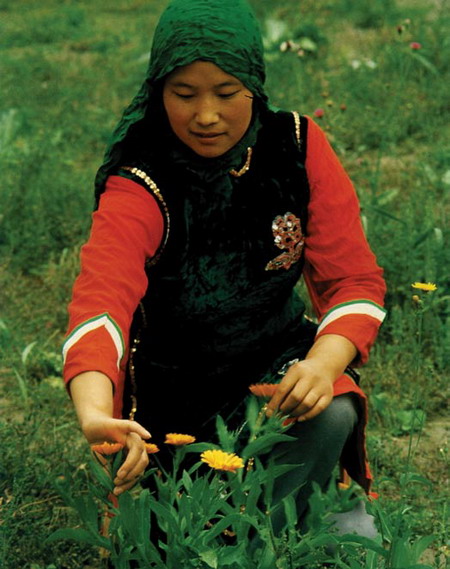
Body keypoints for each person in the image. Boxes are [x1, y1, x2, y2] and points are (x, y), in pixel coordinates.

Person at [62, 0, 386, 535]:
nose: (206, 115)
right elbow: (101, 305)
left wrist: (320, 366)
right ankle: (266, 529)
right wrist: (97, 415)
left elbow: (352, 279)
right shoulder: (141, 183)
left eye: (227, 92)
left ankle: (284, 527)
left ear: (254, 85)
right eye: (184, 93)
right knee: (171, 541)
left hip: (273, 371)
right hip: (173, 399)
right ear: (158, 90)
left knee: (332, 408)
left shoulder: (297, 146)